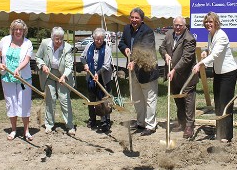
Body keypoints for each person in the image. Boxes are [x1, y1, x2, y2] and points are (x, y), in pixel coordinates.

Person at [192, 11, 237, 142]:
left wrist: (200, 63)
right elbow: (211, 50)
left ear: (216, 22)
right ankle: (220, 132)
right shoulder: (210, 35)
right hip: (218, 73)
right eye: (206, 21)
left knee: (225, 104)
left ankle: (226, 135)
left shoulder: (221, 35)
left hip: (228, 73)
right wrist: (206, 51)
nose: (208, 24)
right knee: (218, 103)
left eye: (210, 21)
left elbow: (216, 54)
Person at [118, 7, 159, 136]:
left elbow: (145, 50)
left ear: (142, 20)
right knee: (137, 98)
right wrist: (125, 50)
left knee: (149, 99)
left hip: (147, 70)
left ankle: (150, 125)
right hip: (133, 71)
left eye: (137, 18)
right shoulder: (126, 29)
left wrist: (134, 61)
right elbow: (122, 43)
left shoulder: (147, 32)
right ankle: (141, 122)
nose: (134, 20)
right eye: (132, 17)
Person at [0, 19, 34, 141]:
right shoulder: (5, 40)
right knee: (11, 103)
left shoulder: (28, 43)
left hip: (23, 78)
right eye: (16, 29)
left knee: (24, 103)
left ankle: (26, 131)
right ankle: (14, 129)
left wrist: (18, 69)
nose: (18, 31)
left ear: (24, 31)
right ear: (12, 30)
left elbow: (26, 60)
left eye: (20, 29)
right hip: (7, 77)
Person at [159, 16, 199, 139]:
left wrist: (175, 70)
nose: (177, 27)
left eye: (180, 25)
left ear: (185, 26)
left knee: (188, 101)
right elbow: (162, 47)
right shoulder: (169, 34)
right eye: (175, 25)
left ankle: (189, 127)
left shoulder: (189, 38)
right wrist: (165, 55)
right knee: (178, 100)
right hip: (174, 77)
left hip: (186, 76)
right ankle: (181, 123)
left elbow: (186, 58)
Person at [36, 27, 76, 136]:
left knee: (64, 99)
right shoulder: (45, 44)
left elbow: (69, 65)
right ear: (52, 37)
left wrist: (64, 76)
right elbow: (38, 57)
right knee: (50, 99)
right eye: (56, 39)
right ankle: (49, 125)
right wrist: (43, 65)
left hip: (62, 76)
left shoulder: (67, 47)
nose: (59, 41)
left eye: (61, 39)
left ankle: (70, 125)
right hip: (48, 75)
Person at [81, 28, 113, 133]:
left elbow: (107, 65)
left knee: (103, 100)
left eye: (101, 39)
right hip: (90, 78)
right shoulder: (88, 46)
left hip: (103, 78)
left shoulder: (107, 49)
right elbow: (82, 57)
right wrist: (85, 64)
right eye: (97, 39)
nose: (99, 41)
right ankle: (92, 119)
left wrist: (97, 73)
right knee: (92, 100)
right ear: (93, 38)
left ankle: (105, 121)